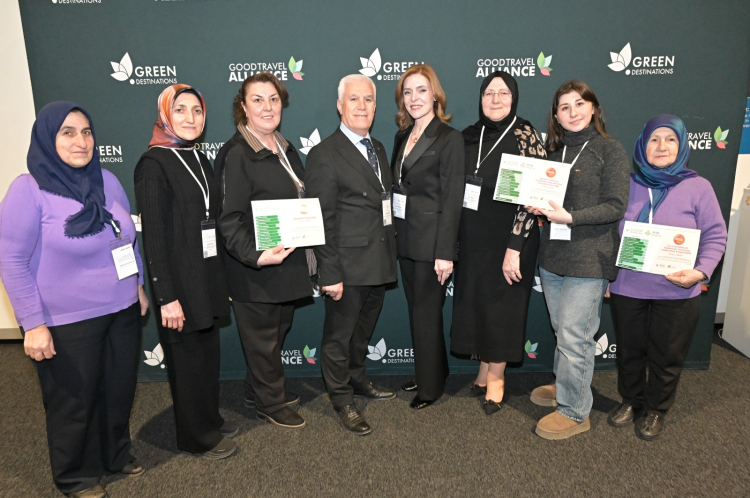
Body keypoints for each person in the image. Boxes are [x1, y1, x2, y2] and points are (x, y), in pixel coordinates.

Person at [0, 102, 148, 498]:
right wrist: (32, 324)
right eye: (67, 132)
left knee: (118, 390)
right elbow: (11, 260)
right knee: (73, 401)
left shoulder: (107, 180)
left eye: (86, 132)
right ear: (48, 139)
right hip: (65, 320)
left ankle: (115, 454)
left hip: (121, 309)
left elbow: (126, 238)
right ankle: (76, 476)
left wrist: (137, 284)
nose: (80, 141)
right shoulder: (27, 190)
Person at [606, 115, 727, 440]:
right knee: (629, 351)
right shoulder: (625, 184)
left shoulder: (698, 187)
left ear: (681, 145)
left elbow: (716, 235)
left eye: (670, 139)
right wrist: (606, 277)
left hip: (677, 290)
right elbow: (610, 234)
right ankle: (631, 400)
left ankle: (656, 409)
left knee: (667, 354)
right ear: (642, 146)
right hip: (628, 286)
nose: (662, 146)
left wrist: (701, 271)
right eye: (654, 139)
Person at [134, 84, 237, 459]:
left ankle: (208, 418)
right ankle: (195, 437)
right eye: (180, 110)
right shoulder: (153, 165)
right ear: (165, 115)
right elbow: (154, 238)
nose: (190, 118)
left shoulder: (198, 158)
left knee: (206, 355)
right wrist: (167, 297)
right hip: (178, 284)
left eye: (197, 110)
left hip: (205, 276)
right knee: (187, 361)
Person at [527, 80, 630, 439]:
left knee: (575, 334)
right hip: (553, 256)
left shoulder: (609, 149)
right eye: (564, 107)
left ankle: (575, 411)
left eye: (579, 104)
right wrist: (537, 206)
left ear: (594, 108)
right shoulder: (553, 154)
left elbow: (616, 206)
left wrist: (570, 217)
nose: (573, 112)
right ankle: (567, 386)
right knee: (563, 330)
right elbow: (548, 203)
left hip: (590, 258)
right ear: (556, 116)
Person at [214, 72, 312, 429]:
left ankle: (256, 390)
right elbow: (228, 219)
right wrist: (256, 255)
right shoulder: (237, 154)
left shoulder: (284, 148)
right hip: (254, 269)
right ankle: (270, 403)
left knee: (276, 332)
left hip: (285, 266)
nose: (267, 107)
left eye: (273, 99)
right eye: (257, 100)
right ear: (243, 106)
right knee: (263, 341)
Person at [305, 74, 397, 436]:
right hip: (345, 266)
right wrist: (329, 272)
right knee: (338, 338)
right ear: (340, 106)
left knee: (362, 332)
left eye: (368, 100)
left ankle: (358, 380)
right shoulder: (324, 153)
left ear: (375, 106)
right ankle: (342, 399)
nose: (362, 106)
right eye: (354, 99)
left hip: (379, 261)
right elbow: (321, 219)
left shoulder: (379, 148)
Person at [450, 71, 545, 415]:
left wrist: (514, 246)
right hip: (474, 239)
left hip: (511, 239)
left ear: (514, 98)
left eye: (503, 93)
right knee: (479, 305)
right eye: (489, 93)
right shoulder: (467, 136)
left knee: (502, 308)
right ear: (480, 98)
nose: (495, 99)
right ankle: (483, 369)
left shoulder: (525, 135)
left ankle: (497, 378)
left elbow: (534, 196)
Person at [390, 64, 464, 410]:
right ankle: (432, 372)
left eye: (421, 90)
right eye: (407, 92)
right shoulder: (402, 136)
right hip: (406, 241)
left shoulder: (449, 138)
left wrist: (445, 252)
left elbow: (452, 199)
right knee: (419, 312)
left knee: (426, 315)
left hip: (433, 246)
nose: (414, 98)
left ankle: (430, 388)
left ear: (435, 95)